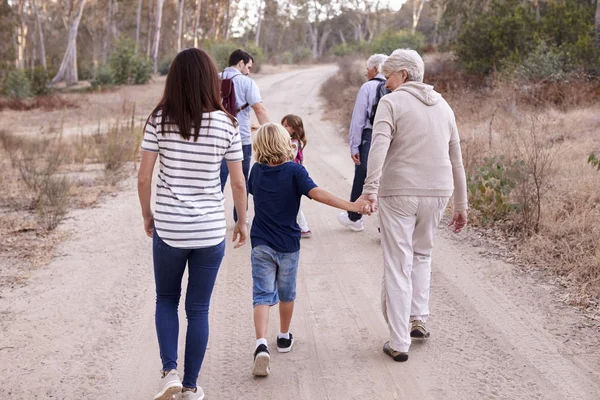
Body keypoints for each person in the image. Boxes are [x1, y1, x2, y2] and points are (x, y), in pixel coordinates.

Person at [137, 48, 248, 400]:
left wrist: (147, 214)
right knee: (198, 309)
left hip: (170, 229)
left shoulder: (160, 120)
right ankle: (189, 386)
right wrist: (241, 221)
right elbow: (239, 182)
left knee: (166, 299)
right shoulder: (227, 123)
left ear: (175, 80)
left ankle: (169, 371)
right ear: (210, 81)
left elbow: (144, 177)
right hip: (210, 231)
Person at [360, 49, 468, 362]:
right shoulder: (444, 106)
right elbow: (456, 160)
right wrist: (461, 204)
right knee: (422, 254)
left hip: (400, 191)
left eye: (389, 76)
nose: (386, 83)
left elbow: (378, 147)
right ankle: (418, 318)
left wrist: (370, 189)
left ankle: (399, 342)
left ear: (403, 75)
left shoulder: (390, 103)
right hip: (439, 191)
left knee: (398, 262)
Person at [247, 123, 370, 376]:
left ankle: (261, 344)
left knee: (261, 294)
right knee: (286, 293)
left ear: (259, 145)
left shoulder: (256, 171)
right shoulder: (294, 171)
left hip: (260, 242)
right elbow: (319, 194)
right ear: (285, 143)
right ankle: (283, 337)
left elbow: (250, 191)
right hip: (288, 245)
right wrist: (352, 206)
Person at [338, 53, 389, 232]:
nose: (366, 73)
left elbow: (358, 120)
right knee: (387, 178)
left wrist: (354, 145)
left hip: (370, 136)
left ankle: (354, 217)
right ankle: (386, 226)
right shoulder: (397, 87)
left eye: (367, 69)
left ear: (375, 69)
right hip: (391, 137)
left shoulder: (368, 87)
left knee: (363, 175)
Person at [219, 49, 270, 223]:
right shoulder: (247, 83)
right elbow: (260, 110)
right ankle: (240, 217)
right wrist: (271, 133)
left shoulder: (213, 78)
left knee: (215, 179)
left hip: (214, 138)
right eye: (248, 67)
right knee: (240, 180)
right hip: (240, 138)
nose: (249, 71)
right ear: (240, 63)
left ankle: (212, 215)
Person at [281, 114, 311, 238]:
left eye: (286, 126)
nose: (283, 128)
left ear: (294, 129)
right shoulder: (291, 141)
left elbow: (289, 158)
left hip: (291, 177)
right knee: (289, 203)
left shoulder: (293, 143)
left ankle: (304, 228)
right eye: (282, 125)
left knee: (294, 204)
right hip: (290, 176)